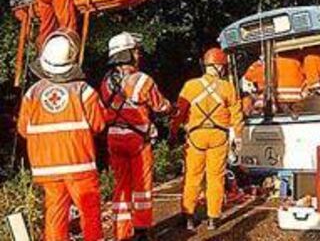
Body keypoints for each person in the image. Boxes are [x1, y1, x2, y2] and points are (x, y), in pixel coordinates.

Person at [17, 29, 106, 241]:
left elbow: (23, 129)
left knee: (55, 214)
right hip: (79, 165)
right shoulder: (83, 90)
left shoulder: (33, 93)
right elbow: (99, 125)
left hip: (47, 168)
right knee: (89, 212)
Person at [100, 32, 172, 240]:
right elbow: (160, 106)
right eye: (135, 51)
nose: (138, 55)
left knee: (121, 186)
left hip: (113, 138)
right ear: (127, 55)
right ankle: (141, 231)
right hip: (137, 140)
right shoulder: (142, 80)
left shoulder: (106, 82)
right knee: (141, 186)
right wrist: (170, 107)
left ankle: (121, 233)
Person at [171, 48, 243, 231]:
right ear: (219, 67)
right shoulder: (227, 87)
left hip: (195, 137)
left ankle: (188, 216)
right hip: (218, 137)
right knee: (215, 177)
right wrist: (238, 136)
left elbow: (179, 113)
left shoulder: (191, 86)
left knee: (192, 177)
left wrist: (173, 132)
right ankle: (213, 218)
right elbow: (236, 114)